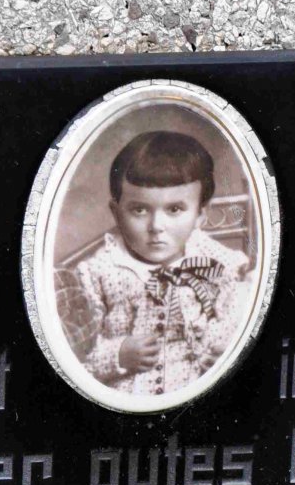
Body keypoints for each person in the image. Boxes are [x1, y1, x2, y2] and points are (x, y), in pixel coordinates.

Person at [61, 129, 251, 398]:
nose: (156, 226)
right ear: (116, 213)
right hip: (125, 398)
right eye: (139, 210)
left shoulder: (218, 264)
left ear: (200, 215)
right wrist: (118, 354)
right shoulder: (97, 273)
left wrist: (223, 351)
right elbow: (76, 356)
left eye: (175, 209)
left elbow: (238, 315)